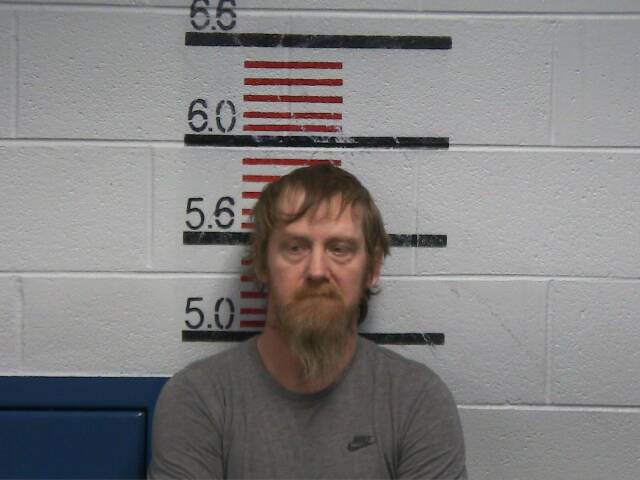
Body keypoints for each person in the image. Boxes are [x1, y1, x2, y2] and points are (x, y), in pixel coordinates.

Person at [148, 164, 467, 479]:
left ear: (372, 269)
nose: (316, 271)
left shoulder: (417, 401)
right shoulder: (197, 399)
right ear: (262, 264)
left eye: (339, 249)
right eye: (295, 248)